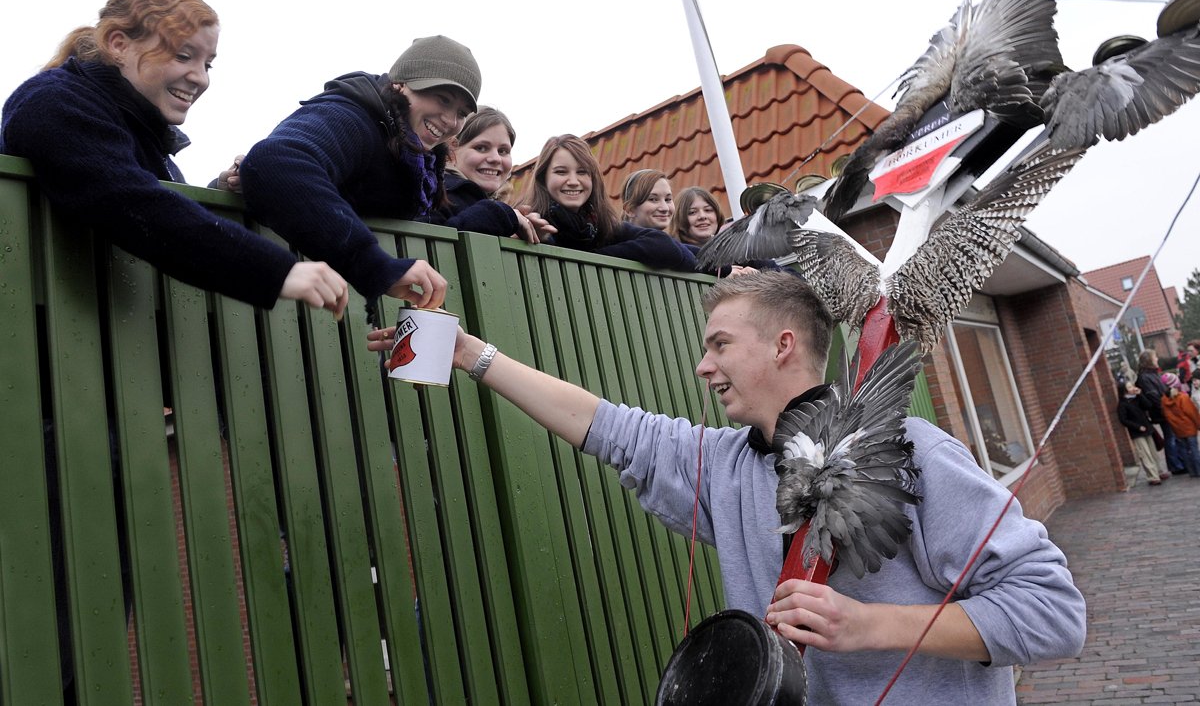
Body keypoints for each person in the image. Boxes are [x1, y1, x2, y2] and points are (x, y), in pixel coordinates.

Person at [370, 270, 1086, 702]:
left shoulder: (914, 451)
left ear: (782, 345)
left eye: (719, 343)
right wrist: (465, 351)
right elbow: (603, 423)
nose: (702, 366)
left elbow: (1053, 610)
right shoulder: (727, 461)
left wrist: (870, 624)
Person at [0, 0, 349, 317]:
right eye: (184, 56)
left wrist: (221, 192)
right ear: (118, 44)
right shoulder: (54, 103)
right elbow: (130, 204)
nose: (201, 78)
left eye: (207, 63)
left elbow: (148, 198)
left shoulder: (138, 127)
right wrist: (279, 270)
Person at [238, 36, 518, 308]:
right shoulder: (354, 117)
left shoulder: (422, 162)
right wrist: (373, 265)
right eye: (442, 99)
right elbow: (275, 161)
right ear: (400, 85)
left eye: (461, 113)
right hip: (271, 298)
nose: (450, 121)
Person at [514, 135, 696, 271]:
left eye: (582, 172)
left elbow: (665, 247)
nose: (573, 181)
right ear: (543, 178)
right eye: (561, 172)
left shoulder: (599, 224)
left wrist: (592, 259)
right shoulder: (532, 220)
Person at [430, 106, 553, 242]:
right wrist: (501, 214)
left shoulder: (490, 205)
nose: (495, 158)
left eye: (503, 151)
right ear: (452, 151)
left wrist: (527, 235)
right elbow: (433, 243)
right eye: (481, 148)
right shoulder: (436, 195)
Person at [1136, 350, 1182, 476]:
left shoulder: (1151, 374)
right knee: (1170, 437)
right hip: (1162, 411)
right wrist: (1166, 407)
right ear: (1149, 360)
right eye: (1154, 357)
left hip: (1163, 409)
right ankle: (1175, 465)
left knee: (1173, 436)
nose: (1157, 358)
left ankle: (1178, 463)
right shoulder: (1145, 377)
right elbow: (1153, 396)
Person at [1117, 382, 1166, 486]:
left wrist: (1140, 394)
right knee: (1145, 454)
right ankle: (1153, 476)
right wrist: (1137, 427)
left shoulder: (1136, 398)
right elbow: (1123, 420)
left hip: (1147, 429)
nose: (1133, 388)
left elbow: (1148, 405)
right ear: (1124, 391)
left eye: (1132, 386)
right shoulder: (1122, 404)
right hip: (1137, 433)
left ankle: (1159, 471)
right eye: (1129, 387)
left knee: (1153, 452)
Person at [1161, 372, 1200, 477]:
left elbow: (1168, 416)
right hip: (1189, 427)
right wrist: (1198, 424)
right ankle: (1198, 470)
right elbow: (1192, 413)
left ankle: (1191, 471)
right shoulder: (1183, 397)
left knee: (1184, 450)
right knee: (1194, 449)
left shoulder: (1164, 400)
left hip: (1177, 430)